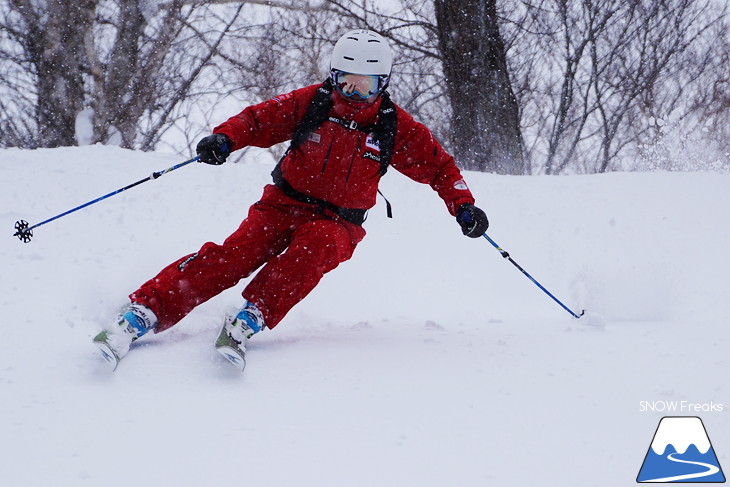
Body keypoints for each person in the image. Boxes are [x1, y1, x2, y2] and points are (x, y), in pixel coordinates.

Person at [93, 29, 489, 370]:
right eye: (346, 81)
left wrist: (463, 206)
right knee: (236, 255)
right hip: (283, 204)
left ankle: (250, 318)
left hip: (340, 222)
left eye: (366, 84)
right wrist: (225, 138)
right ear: (332, 76)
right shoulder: (312, 103)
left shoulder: (393, 126)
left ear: (382, 83)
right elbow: (259, 119)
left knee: (312, 250)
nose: (354, 92)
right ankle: (144, 312)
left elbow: (440, 168)